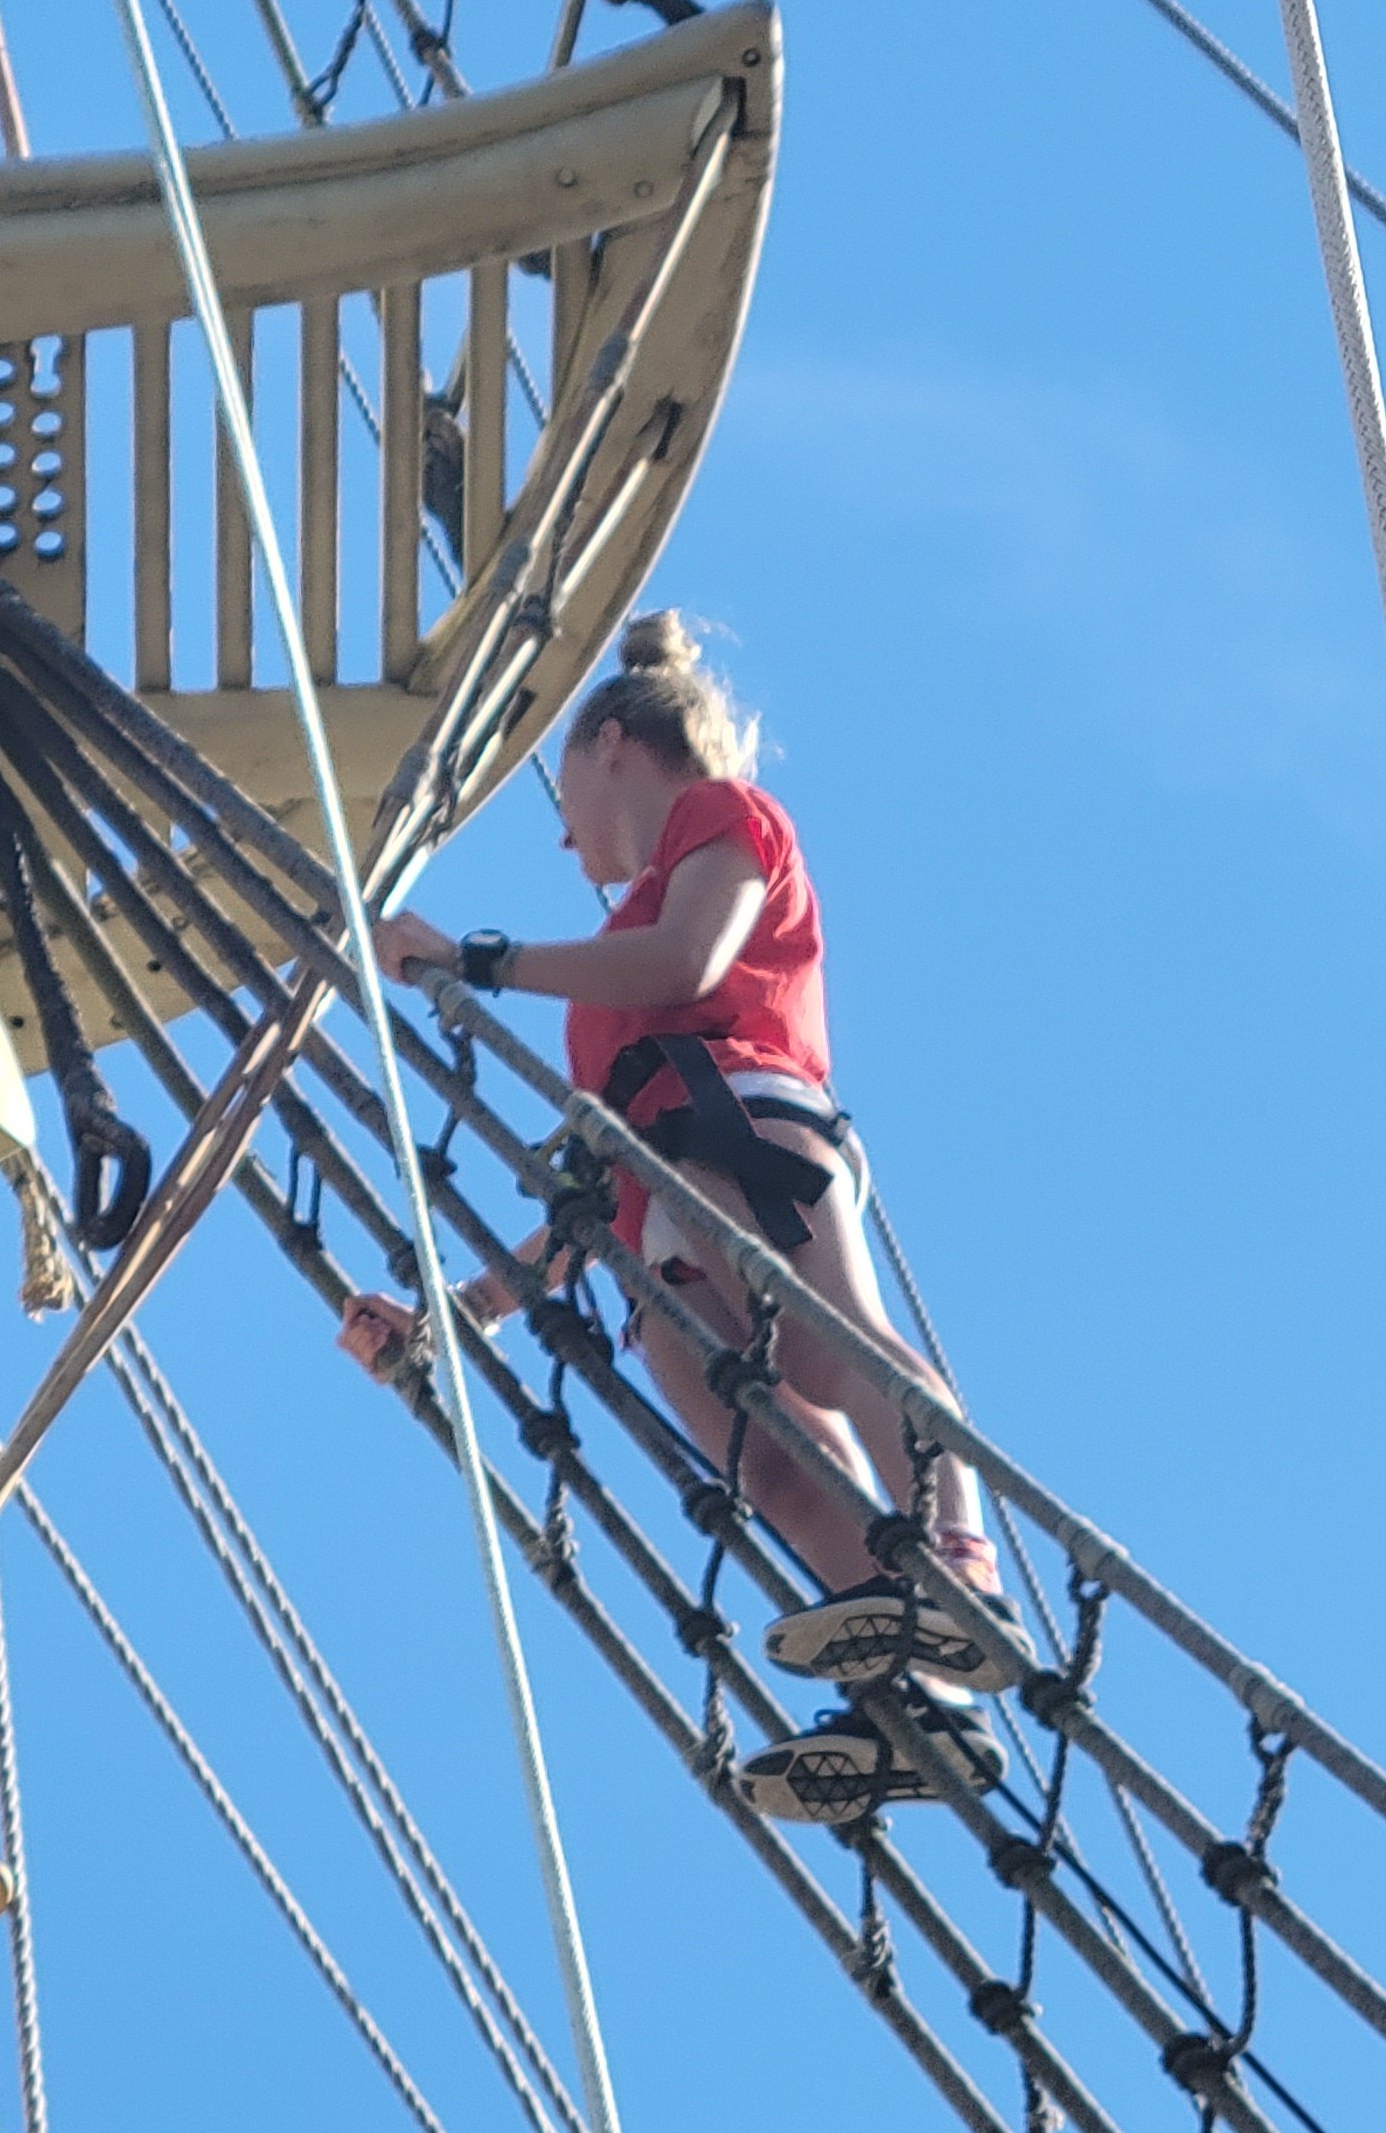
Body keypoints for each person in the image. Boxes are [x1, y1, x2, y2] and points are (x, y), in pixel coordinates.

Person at [330, 613, 1021, 1825]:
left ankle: (959, 1574)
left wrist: (476, 959)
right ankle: (917, 1700)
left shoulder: (727, 818)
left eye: (561, 790)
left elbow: (691, 964)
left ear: (611, 743)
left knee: (826, 1340)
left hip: (737, 1126)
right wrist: (454, 1321)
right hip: (649, 1210)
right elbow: (589, 1181)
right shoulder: (606, 960)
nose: (559, 831)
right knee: (770, 1461)